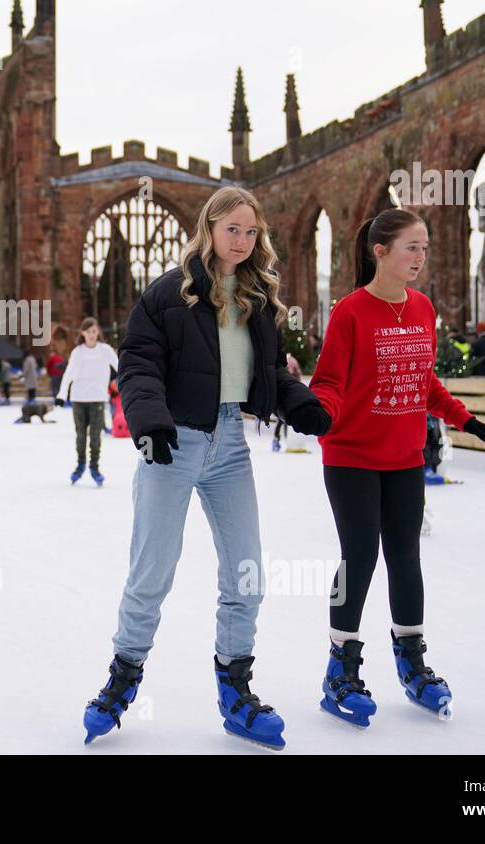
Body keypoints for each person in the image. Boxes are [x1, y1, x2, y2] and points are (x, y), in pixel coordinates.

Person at [82, 186, 328, 749]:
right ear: (209, 227)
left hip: (231, 448)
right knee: (152, 572)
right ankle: (122, 680)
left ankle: (235, 690)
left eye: (251, 232)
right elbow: (139, 363)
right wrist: (150, 423)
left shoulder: (258, 298)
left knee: (247, 574)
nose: (242, 241)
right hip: (172, 444)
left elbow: (270, 372)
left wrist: (301, 403)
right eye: (232, 229)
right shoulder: (170, 294)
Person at [308, 207, 485, 726]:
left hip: (404, 458)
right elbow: (328, 380)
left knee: (406, 558)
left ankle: (412, 662)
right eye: (411, 247)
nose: (420, 257)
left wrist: (466, 419)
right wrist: (317, 411)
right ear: (380, 252)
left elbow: (424, 381)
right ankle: (340, 668)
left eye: (425, 247)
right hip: (350, 455)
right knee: (360, 556)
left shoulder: (421, 309)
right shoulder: (349, 311)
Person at [55, 317, 117, 486]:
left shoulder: (105, 350)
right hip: (78, 399)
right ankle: (81, 464)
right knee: (81, 435)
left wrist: (129, 385)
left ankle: (94, 467)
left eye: (94, 331)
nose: (91, 335)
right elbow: (68, 374)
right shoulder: (78, 352)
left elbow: (120, 367)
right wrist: (62, 394)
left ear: (98, 333)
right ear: (82, 333)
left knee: (96, 436)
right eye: (88, 331)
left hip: (97, 399)